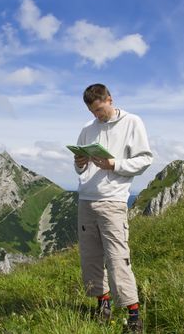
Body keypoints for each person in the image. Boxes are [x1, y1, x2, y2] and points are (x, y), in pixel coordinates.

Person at [73, 83, 153, 333]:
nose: (97, 116)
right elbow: (80, 168)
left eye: (100, 110)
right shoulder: (87, 129)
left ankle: (133, 315)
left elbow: (144, 159)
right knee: (91, 258)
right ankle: (103, 304)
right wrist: (79, 162)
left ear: (110, 99)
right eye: (92, 112)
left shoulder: (132, 122)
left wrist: (114, 165)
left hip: (113, 201)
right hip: (86, 199)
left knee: (118, 258)